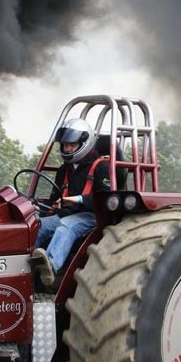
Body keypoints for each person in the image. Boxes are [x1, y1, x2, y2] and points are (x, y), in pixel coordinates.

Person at [31, 118, 114, 288]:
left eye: (72, 145)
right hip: (65, 214)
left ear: (84, 143)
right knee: (37, 225)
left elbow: (105, 199)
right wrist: (41, 207)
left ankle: (50, 267)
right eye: (64, 145)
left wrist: (76, 200)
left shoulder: (102, 167)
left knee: (67, 226)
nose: (67, 149)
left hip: (92, 216)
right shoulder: (64, 169)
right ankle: (24, 269)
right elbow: (54, 198)